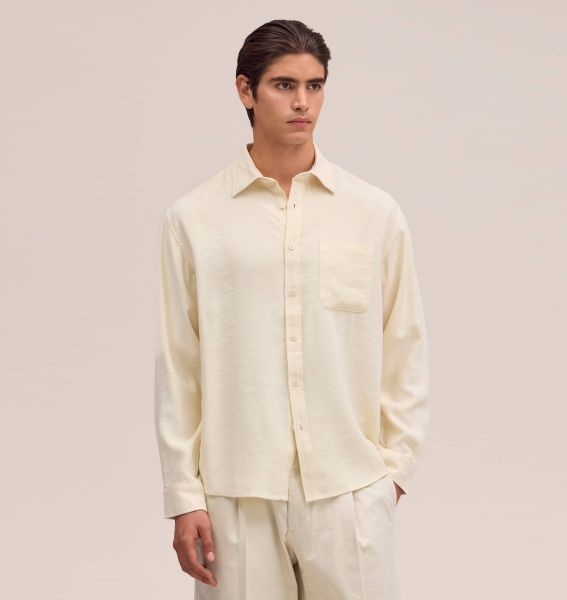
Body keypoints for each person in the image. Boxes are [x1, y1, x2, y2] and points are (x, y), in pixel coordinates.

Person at [154, 19, 430, 600]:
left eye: (314, 85)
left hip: (349, 488)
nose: (302, 102)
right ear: (245, 90)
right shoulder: (194, 219)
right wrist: (184, 495)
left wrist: (394, 471)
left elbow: (404, 343)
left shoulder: (373, 213)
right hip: (237, 491)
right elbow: (179, 365)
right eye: (284, 85)